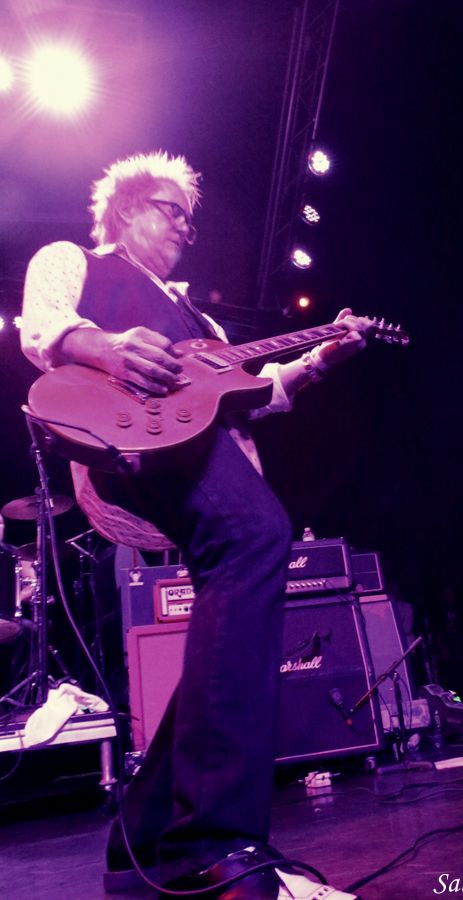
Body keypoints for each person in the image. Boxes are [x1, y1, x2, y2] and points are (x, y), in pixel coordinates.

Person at [20, 151, 371, 900]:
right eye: (169, 209)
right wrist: (107, 347)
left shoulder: (201, 321)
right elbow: (42, 326)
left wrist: (320, 360)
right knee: (255, 536)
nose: (184, 226)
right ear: (126, 209)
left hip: (198, 443)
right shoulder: (75, 260)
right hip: (124, 438)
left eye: (189, 216)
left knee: (241, 571)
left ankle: (143, 837)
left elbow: (252, 393)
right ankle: (213, 845)